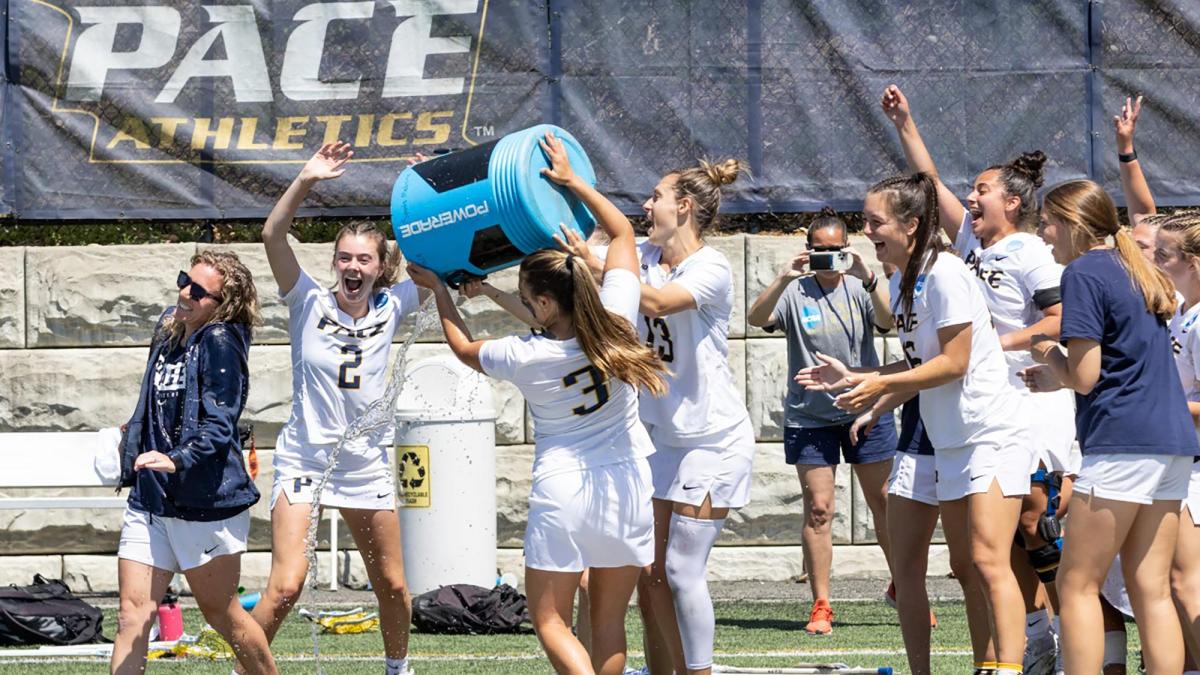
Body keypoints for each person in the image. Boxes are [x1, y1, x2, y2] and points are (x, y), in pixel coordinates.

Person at [408, 131, 667, 675]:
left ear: (546, 304)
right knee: (610, 624)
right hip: (627, 483)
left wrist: (439, 289)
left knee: (551, 620)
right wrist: (573, 182)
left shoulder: (525, 357)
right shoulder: (618, 318)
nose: (524, 306)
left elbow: (461, 348)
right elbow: (620, 231)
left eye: (528, 301)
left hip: (564, 487)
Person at [797, 172, 1033, 675]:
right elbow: (915, 366)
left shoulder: (945, 272)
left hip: (990, 433)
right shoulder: (901, 281)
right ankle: (971, 665)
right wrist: (857, 376)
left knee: (989, 561)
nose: (866, 231)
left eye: (874, 221)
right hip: (948, 440)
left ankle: (1008, 668)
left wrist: (880, 389)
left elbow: (955, 362)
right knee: (963, 566)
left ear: (911, 225)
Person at [882, 84, 1078, 674]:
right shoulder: (967, 250)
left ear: (1013, 204)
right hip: (969, 401)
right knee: (983, 552)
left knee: (1032, 521)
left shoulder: (1028, 253)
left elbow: (1059, 318)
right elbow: (929, 188)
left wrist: (995, 343)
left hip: (1023, 397)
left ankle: (1066, 631)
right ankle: (1026, 641)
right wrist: (906, 123)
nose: (970, 199)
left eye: (982, 191)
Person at [250, 142, 427, 675]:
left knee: (392, 583)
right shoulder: (308, 300)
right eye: (345, 257)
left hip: (365, 463)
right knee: (286, 585)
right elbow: (272, 236)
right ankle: (245, 666)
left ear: (380, 267)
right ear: (334, 263)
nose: (353, 266)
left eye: (364, 259)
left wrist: (422, 193)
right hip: (306, 459)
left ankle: (398, 668)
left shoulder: (396, 304)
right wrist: (305, 180)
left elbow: (443, 261)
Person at [1022, 179, 1197, 674]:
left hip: (1121, 444)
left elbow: (1083, 374)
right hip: (1171, 444)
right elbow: (1120, 365)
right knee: (1152, 587)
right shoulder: (1136, 266)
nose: (1044, 235)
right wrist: (1057, 373)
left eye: (1048, 223)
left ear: (1074, 225)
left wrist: (1046, 350)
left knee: (1077, 584)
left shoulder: (1083, 272)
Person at [111, 252, 274, 675]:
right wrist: (132, 438)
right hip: (151, 497)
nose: (185, 292)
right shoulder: (169, 326)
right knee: (133, 614)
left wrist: (176, 459)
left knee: (220, 612)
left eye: (199, 291)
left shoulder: (221, 342)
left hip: (204, 501)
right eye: (185, 280)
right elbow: (156, 401)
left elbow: (220, 425)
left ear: (224, 304)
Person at [746, 207, 899, 636]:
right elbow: (756, 319)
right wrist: (782, 276)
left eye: (837, 250)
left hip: (865, 409)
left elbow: (887, 322)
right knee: (819, 509)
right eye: (820, 251)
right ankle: (821, 603)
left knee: (885, 504)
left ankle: (904, 588)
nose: (828, 258)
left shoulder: (857, 286)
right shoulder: (795, 292)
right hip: (810, 417)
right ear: (808, 250)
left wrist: (870, 278)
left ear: (847, 250)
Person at [1152, 211, 1200, 674]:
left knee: (1186, 583)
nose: (1155, 263)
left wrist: (1153, 408)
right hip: (1179, 460)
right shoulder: (1180, 313)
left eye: (1163, 256)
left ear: (1193, 263)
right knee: (1171, 580)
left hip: (1195, 469)